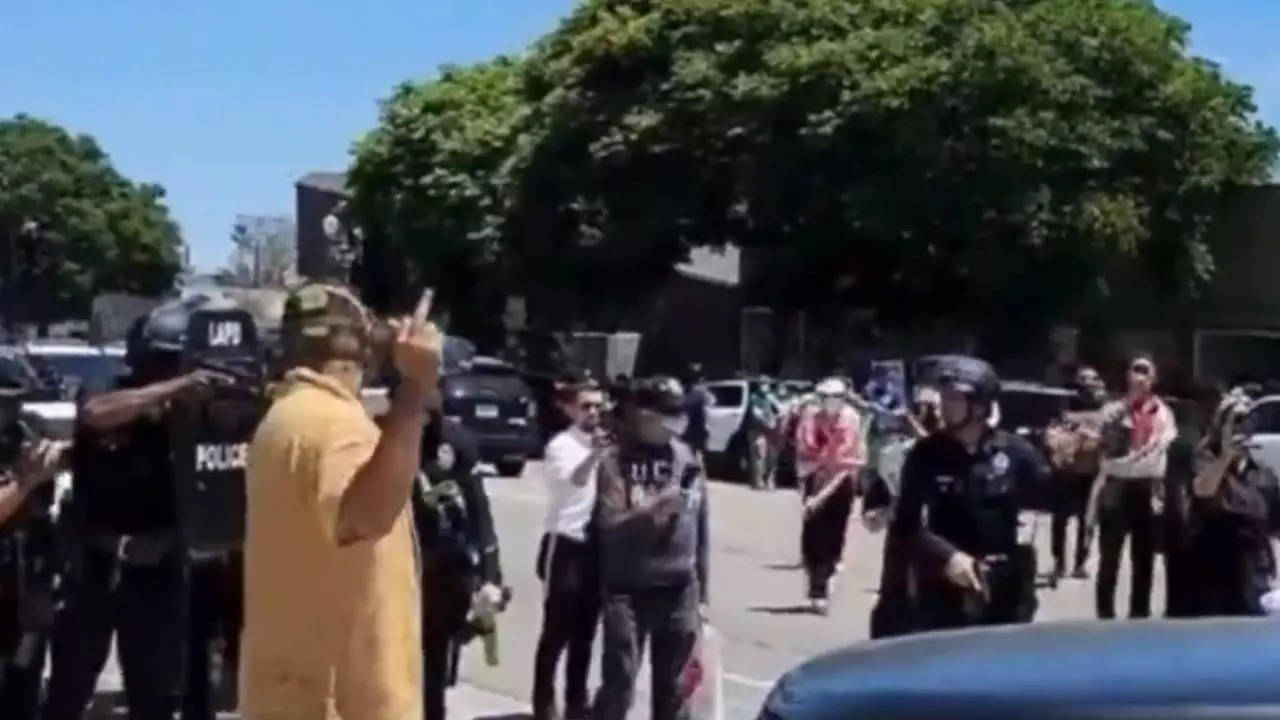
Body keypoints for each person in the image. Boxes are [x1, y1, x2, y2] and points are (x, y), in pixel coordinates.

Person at [239, 283, 440, 720]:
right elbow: (364, 515)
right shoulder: (332, 424)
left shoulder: (286, 418)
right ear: (362, 354)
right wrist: (415, 387)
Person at [43, 305, 228, 720]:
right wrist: (172, 389)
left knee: (156, 698)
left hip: (158, 570)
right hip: (93, 566)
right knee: (68, 690)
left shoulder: (194, 413)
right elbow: (95, 414)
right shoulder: (110, 389)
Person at [889, 356, 1051, 632]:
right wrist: (949, 557)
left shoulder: (1016, 453)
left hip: (1002, 593)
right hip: (942, 591)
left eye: (953, 399)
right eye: (943, 397)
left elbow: (1054, 498)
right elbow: (907, 524)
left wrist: (1076, 467)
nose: (943, 406)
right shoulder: (926, 454)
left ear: (978, 406)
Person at [593, 378, 709, 720]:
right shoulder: (616, 461)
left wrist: (703, 592)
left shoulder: (688, 458)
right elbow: (609, 523)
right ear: (641, 414)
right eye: (667, 413)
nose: (676, 421)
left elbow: (700, 526)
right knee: (620, 681)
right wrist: (653, 509)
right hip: (628, 587)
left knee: (675, 688)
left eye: (679, 413)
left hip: (679, 586)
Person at [416, 406, 504, 720]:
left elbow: (479, 511)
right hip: (395, 568)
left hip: (445, 573)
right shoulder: (380, 433)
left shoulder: (456, 441)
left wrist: (491, 576)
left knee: (435, 668)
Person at [532, 382, 607, 720]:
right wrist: (594, 455)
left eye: (597, 407)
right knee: (556, 631)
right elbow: (574, 481)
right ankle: (543, 702)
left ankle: (577, 701)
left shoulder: (608, 445)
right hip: (566, 543)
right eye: (586, 406)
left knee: (585, 632)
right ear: (572, 409)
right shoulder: (561, 446)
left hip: (597, 547)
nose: (593, 413)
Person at [1088, 353, 1176, 620]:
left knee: (1144, 559)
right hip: (1116, 488)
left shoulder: (1162, 413)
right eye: (1134, 370)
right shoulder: (1113, 410)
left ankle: (1139, 616)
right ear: (1127, 376)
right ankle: (1105, 617)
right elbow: (1102, 450)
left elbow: (1163, 448)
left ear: (1153, 379)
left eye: (1145, 371)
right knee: (1109, 560)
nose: (1139, 376)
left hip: (1146, 489)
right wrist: (1112, 423)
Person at [0, 385, 67, 720]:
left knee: (24, 693)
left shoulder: (24, 437)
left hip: (27, 589)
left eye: (11, 401)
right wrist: (25, 482)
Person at [1183, 396, 1280, 616]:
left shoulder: (1261, 474)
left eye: (1249, 421)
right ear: (1221, 426)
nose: (1243, 427)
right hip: (1213, 580)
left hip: (1254, 580)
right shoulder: (1205, 461)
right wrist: (1226, 456)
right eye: (1237, 420)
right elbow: (1203, 489)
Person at [795, 377, 865, 614]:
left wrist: (820, 496)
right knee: (812, 537)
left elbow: (844, 463)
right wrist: (807, 489)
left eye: (835, 398)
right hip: (815, 479)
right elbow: (804, 454)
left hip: (841, 483)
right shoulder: (812, 418)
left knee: (832, 535)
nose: (830, 403)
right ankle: (817, 585)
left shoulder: (851, 420)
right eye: (825, 398)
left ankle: (823, 584)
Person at [1044, 365, 1107, 580]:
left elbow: (1109, 440)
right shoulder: (1065, 408)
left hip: (1090, 474)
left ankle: (1080, 563)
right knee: (1059, 519)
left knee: (1086, 521)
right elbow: (1052, 434)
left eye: (1093, 379)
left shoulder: (1104, 411)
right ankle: (1059, 563)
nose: (1089, 384)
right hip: (1066, 472)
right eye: (1084, 379)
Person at [679, 364, 712, 461]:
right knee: (696, 454)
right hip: (696, 428)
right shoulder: (700, 393)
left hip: (694, 428)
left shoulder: (696, 394)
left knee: (694, 454)